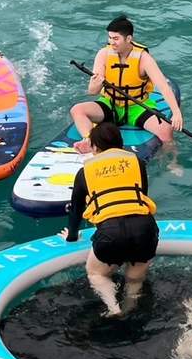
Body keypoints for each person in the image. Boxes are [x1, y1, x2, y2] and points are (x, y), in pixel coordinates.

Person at [60, 121, 160, 316]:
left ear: (95, 146)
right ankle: (131, 307)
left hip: (111, 233)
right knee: (134, 278)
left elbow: (76, 209)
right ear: (121, 143)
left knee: (97, 273)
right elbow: (141, 196)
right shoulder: (137, 163)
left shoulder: (84, 172)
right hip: (145, 228)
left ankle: (113, 308)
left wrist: (72, 236)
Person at [69, 14, 183, 155]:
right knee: (77, 110)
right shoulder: (103, 54)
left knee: (166, 130)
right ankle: (89, 141)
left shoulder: (143, 58)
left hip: (137, 106)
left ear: (128, 39)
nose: (111, 42)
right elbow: (92, 91)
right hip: (110, 104)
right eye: (110, 38)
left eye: (116, 38)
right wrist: (95, 83)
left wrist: (176, 112)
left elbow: (164, 86)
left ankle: (173, 161)